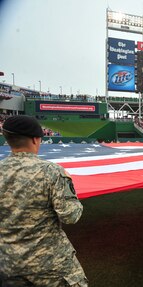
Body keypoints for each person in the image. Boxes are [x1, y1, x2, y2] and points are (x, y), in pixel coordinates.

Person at [0, 115, 88, 286]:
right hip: (49, 266)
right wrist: (70, 189)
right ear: (35, 139)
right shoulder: (51, 172)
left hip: (7, 264)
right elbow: (71, 216)